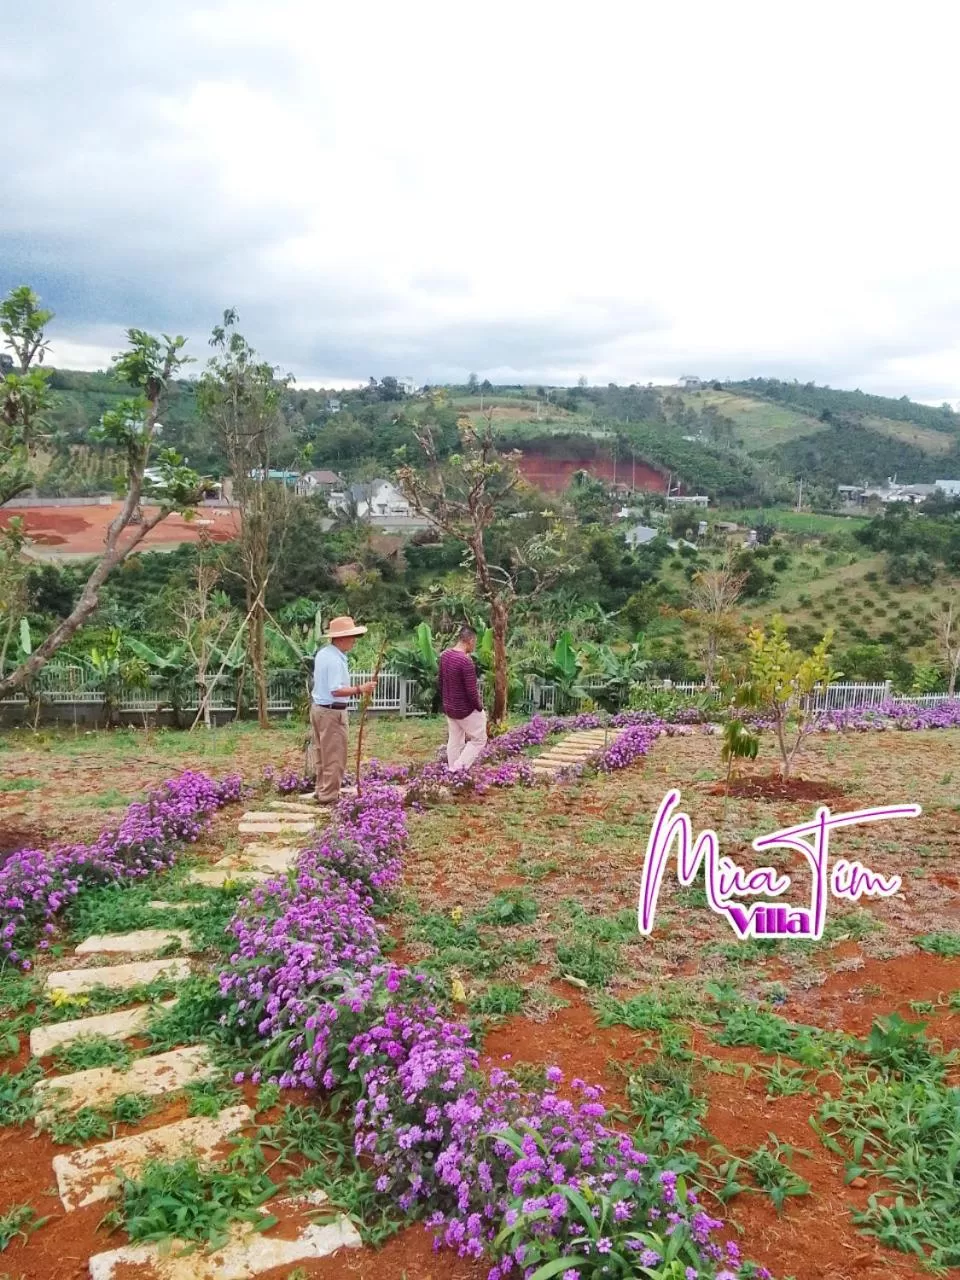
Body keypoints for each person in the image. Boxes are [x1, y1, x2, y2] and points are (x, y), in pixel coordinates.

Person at [310, 616, 376, 805]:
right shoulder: (335, 660)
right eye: (351, 637)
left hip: (319, 709)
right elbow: (336, 689)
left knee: (322, 754)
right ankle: (329, 796)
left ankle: (321, 789)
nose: (354, 641)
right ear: (340, 638)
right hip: (332, 712)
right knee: (335, 756)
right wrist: (360, 689)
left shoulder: (324, 653)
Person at [438, 625, 487, 771]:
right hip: (464, 710)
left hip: (449, 707)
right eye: (475, 642)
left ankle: (452, 769)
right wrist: (480, 708)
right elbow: (472, 692)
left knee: (455, 739)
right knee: (479, 739)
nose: (475, 645)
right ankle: (457, 770)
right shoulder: (465, 661)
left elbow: (440, 682)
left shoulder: (445, 655)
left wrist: (446, 701)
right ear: (470, 640)